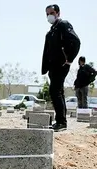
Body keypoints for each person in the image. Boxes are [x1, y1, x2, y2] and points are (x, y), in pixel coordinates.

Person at [41, 4, 80, 132]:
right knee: (58, 92)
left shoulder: (63, 25)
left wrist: (69, 60)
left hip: (61, 65)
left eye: (51, 13)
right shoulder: (51, 30)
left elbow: (76, 41)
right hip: (52, 66)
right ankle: (61, 121)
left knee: (54, 91)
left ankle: (61, 122)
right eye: (47, 14)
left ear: (57, 13)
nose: (49, 16)